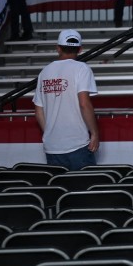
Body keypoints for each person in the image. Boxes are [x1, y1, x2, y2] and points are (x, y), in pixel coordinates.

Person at [33, 30, 100, 170]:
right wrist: (94, 133)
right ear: (80, 49)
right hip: (77, 144)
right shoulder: (82, 68)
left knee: (58, 189)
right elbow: (84, 103)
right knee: (84, 189)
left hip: (52, 146)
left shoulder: (44, 72)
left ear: (58, 48)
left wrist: (51, 133)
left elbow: (39, 110)